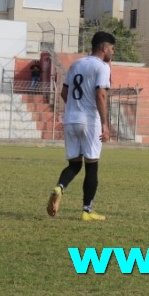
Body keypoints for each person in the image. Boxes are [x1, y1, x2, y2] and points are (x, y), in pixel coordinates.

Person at [46, 31, 116, 221]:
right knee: (91, 166)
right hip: (90, 121)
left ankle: (59, 187)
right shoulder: (102, 67)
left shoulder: (76, 64)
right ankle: (87, 210)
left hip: (70, 119)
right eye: (112, 48)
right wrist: (105, 125)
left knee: (74, 164)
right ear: (104, 48)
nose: (112, 52)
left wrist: (75, 109)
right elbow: (101, 95)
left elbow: (63, 92)